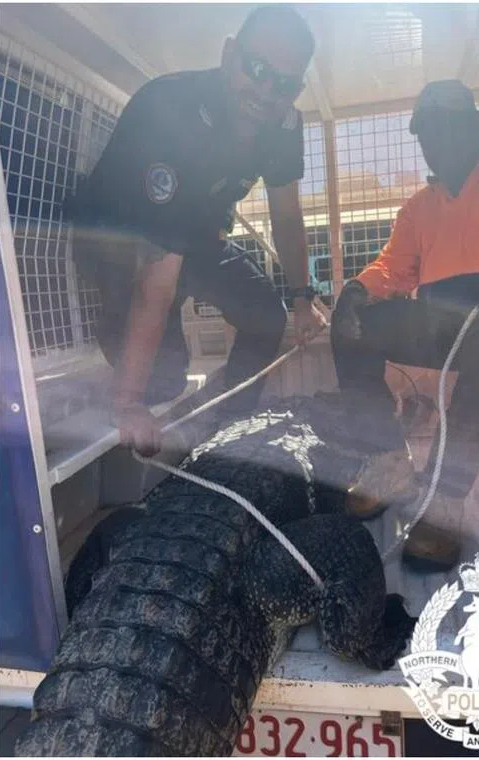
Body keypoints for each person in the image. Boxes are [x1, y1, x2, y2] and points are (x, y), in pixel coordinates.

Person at [66, 5, 326, 457]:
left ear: (296, 89)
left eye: (283, 84)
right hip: (119, 237)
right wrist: (128, 403)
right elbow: (157, 279)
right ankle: (115, 338)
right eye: (257, 68)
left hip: (194, 230)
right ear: (230, 54)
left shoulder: (285, 124)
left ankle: (228, 425)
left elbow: (285, 214)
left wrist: (303, 297)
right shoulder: (170, 111)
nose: (266, 91)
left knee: (268, 314)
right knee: (163, 380)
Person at [331, 79, 479, 571]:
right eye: (427, 133)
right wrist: (358, 290)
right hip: (448, 323)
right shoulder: (418, 208)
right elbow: (393, 267)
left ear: (475, 126)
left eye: (448, 127)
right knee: (351, 325)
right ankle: (388, 462)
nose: (437, 141)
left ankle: (444, 500)